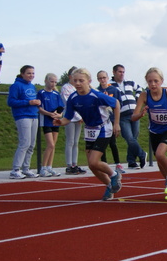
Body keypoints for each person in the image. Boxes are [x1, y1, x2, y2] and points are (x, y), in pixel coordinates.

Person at [53, 68, 122, 200]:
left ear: (88, 81)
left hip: (103, 128)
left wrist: (117, 123)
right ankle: (109, 185)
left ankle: (114, 175)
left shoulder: (96, 95)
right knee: (92, 165)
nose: (78, 83)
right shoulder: (73, 98)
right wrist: (60, 122)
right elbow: (68, 117)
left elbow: (116, 103)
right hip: (89, 130)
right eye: (75, 81)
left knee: (94, 161)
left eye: (81, 80)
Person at [131, 68, 167, 201]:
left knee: (160, 154)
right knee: (159, 160)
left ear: (162, 81)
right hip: (154, 131)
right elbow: (133, 117)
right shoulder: (144, 95)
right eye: (150, 81)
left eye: (156, 81)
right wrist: (141, 114)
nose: (153, 84)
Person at [110, 64, 146, 169]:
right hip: (122, 115)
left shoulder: (129, 82)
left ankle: (131, 161)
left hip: (134, 113)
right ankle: (142, 154)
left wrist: (137, 97)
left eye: (123, 72)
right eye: (119, 72)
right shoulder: (110, 85)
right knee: (130, 138)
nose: (122, 74)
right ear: (114, 72)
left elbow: (140, 88)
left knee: (134, 137)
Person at [8, 65, 40, 179]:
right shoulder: (16, 86)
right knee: (25, 142)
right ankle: (15, 169)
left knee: (31, 144)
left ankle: (26, 168)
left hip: (33, 115)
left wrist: (36, 102)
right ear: (22, 74)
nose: (31, 75)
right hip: (22, 116)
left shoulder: (32, 86)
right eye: (29, 73)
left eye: (33, 73)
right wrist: (28, 102)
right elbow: (11, 101)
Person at [97, 70, 125, 174]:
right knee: (102, 143)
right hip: (101, 121)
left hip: (112, 119)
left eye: (104, 78)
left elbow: (119, 104)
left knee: (112, 142)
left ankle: (118, 164)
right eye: (100, 78)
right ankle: (104, 164)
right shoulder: (97, 91)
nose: (102, 80)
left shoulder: (114, 90)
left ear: (108, 78)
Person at [37, 73, 64, 177]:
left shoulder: (56, 94)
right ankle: (43, 168)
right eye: (51, 81)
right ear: (46, 81)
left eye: (55, 82)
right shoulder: (41, 93)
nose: (53, 84)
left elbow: (61, 108)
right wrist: (49, 114)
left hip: (55, 121)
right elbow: (39, 108)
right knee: (50, 144)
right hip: (46, 121)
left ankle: (49, 166)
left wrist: (58, 114)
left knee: (53, 146)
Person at [61, 66, 87, 175]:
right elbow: (69, 103)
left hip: (79, 118)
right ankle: (68, 165)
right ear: (70, 76)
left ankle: (74, 164)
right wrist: (79, 115)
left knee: (76, 142)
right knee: (70, 141)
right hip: (70, 117)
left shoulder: (78, 88)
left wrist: (82, 115)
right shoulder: (66, 88)